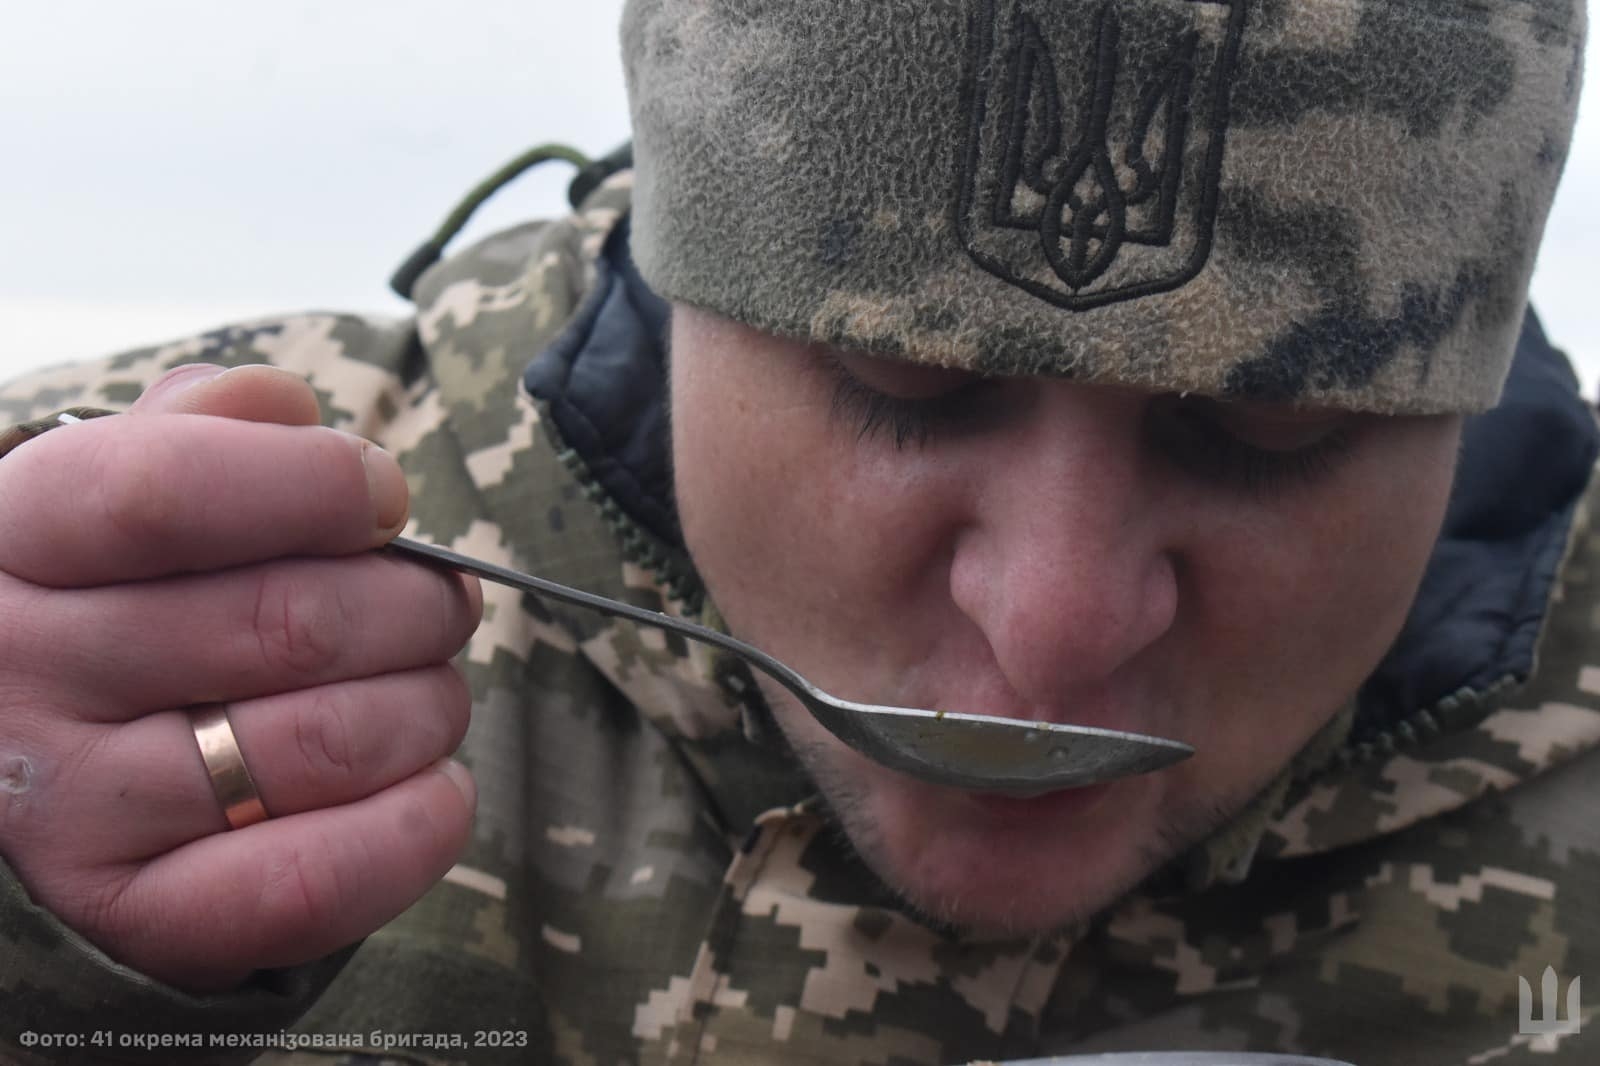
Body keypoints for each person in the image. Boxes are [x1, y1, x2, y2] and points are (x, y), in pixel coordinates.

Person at [0, 0, 1594, 1062]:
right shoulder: (87, 577)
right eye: (902, 378)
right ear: (673, 271)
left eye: (1273, 429)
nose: (1052, 620)